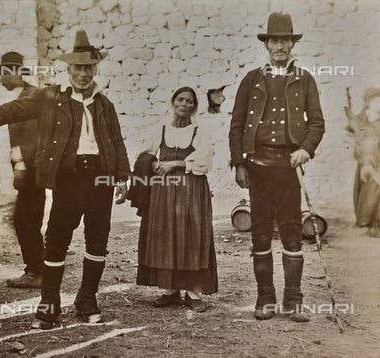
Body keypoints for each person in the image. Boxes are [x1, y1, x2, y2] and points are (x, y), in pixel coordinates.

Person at [0, 29, 130, 328]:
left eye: (88, 68)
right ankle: (49, 305)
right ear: (68, 69)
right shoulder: (50, 96)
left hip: (101, 178)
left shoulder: (105, 105)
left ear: (96, 69)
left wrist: (123, 177)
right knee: (56, 240)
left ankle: (87, 300)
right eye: (78, 68)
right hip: (69, 177)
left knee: (97, 240)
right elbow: (15, 109)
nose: (83, 74)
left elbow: (116, 142)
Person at [229, 12, 325, 322]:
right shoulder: (252, 78)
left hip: (289, 166)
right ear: (267, 44)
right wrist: (239, 163)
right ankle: (265, 297)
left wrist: (305, 150)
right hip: (257, 165)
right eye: (274, 40)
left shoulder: (305, 78)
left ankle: (293, 299)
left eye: (285, 40)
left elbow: (317, 123)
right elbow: (237, 124)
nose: (280, 45)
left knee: (291, 232)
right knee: (259, 233)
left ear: (291, 44)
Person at [133, 87, 217, 312]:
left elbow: (204, 161)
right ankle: (169, 290)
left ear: (194, 106)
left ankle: (193, 293)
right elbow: (143, 155)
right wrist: (152, 164)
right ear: (172, 102)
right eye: (180, 99)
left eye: (190, 102)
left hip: (192, 189)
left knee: (192, 235)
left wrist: (176, 164)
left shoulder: (200, 132)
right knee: (165, 236)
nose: (184, 104)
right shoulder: (159, 130)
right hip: (163, 191)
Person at [0, 52, 46, 288]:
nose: (0, 78)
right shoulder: (24, 94)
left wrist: (22, 166)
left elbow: (33, 140)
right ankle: (38, 267)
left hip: (33, 170)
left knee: (26, 221)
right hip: (28, 169)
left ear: (15, 72)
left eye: (3, 73)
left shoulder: (31, 97)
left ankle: (36, 272)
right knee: (26, 220)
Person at [349, 89, 380, 237]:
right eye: (375, 102)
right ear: (368, 103)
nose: (379, 105)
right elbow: (356, 130)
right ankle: (366, 222)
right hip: (368, 159)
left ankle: (376, 223)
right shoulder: (363, 118)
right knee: (368, 190)